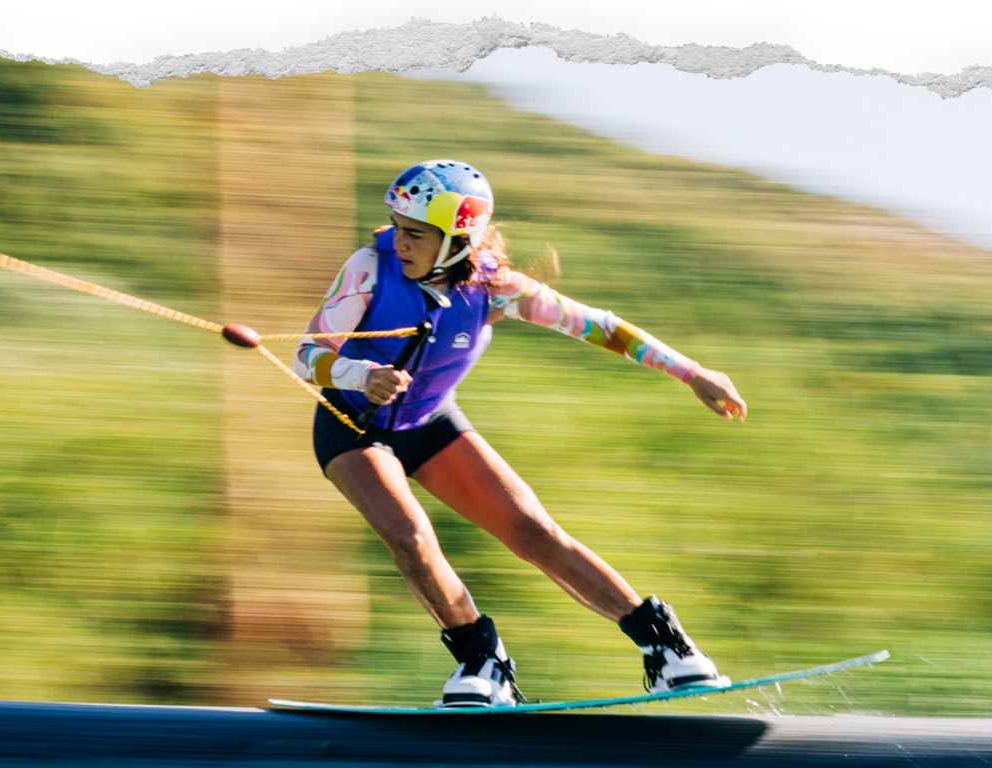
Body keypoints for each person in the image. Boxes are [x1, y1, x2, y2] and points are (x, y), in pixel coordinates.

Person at [294, 159, 748, 708]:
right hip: (352, 426)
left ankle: (665, 647)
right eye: (395, 225)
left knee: (534, 531)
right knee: (411, 538)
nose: (398, 240)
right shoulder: (369, 267)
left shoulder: (496, 287)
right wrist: (361, 375)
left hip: (430, 422)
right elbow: (308, 352)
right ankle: (482, 662)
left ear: (457, 241)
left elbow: (599, 326)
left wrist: (691, 371)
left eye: (414, 233)